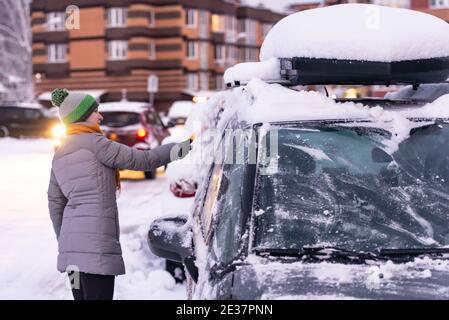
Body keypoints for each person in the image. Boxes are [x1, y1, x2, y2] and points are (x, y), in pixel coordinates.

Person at [47, 88, 191, 300]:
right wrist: (181, 148)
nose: (100, 115)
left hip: (72, 257)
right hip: (96, 250)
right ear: (82, 116)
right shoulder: (97, 144)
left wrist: (65, 240)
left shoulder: (60, 154)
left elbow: (54, 203)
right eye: (96, 111)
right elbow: (143, 160)